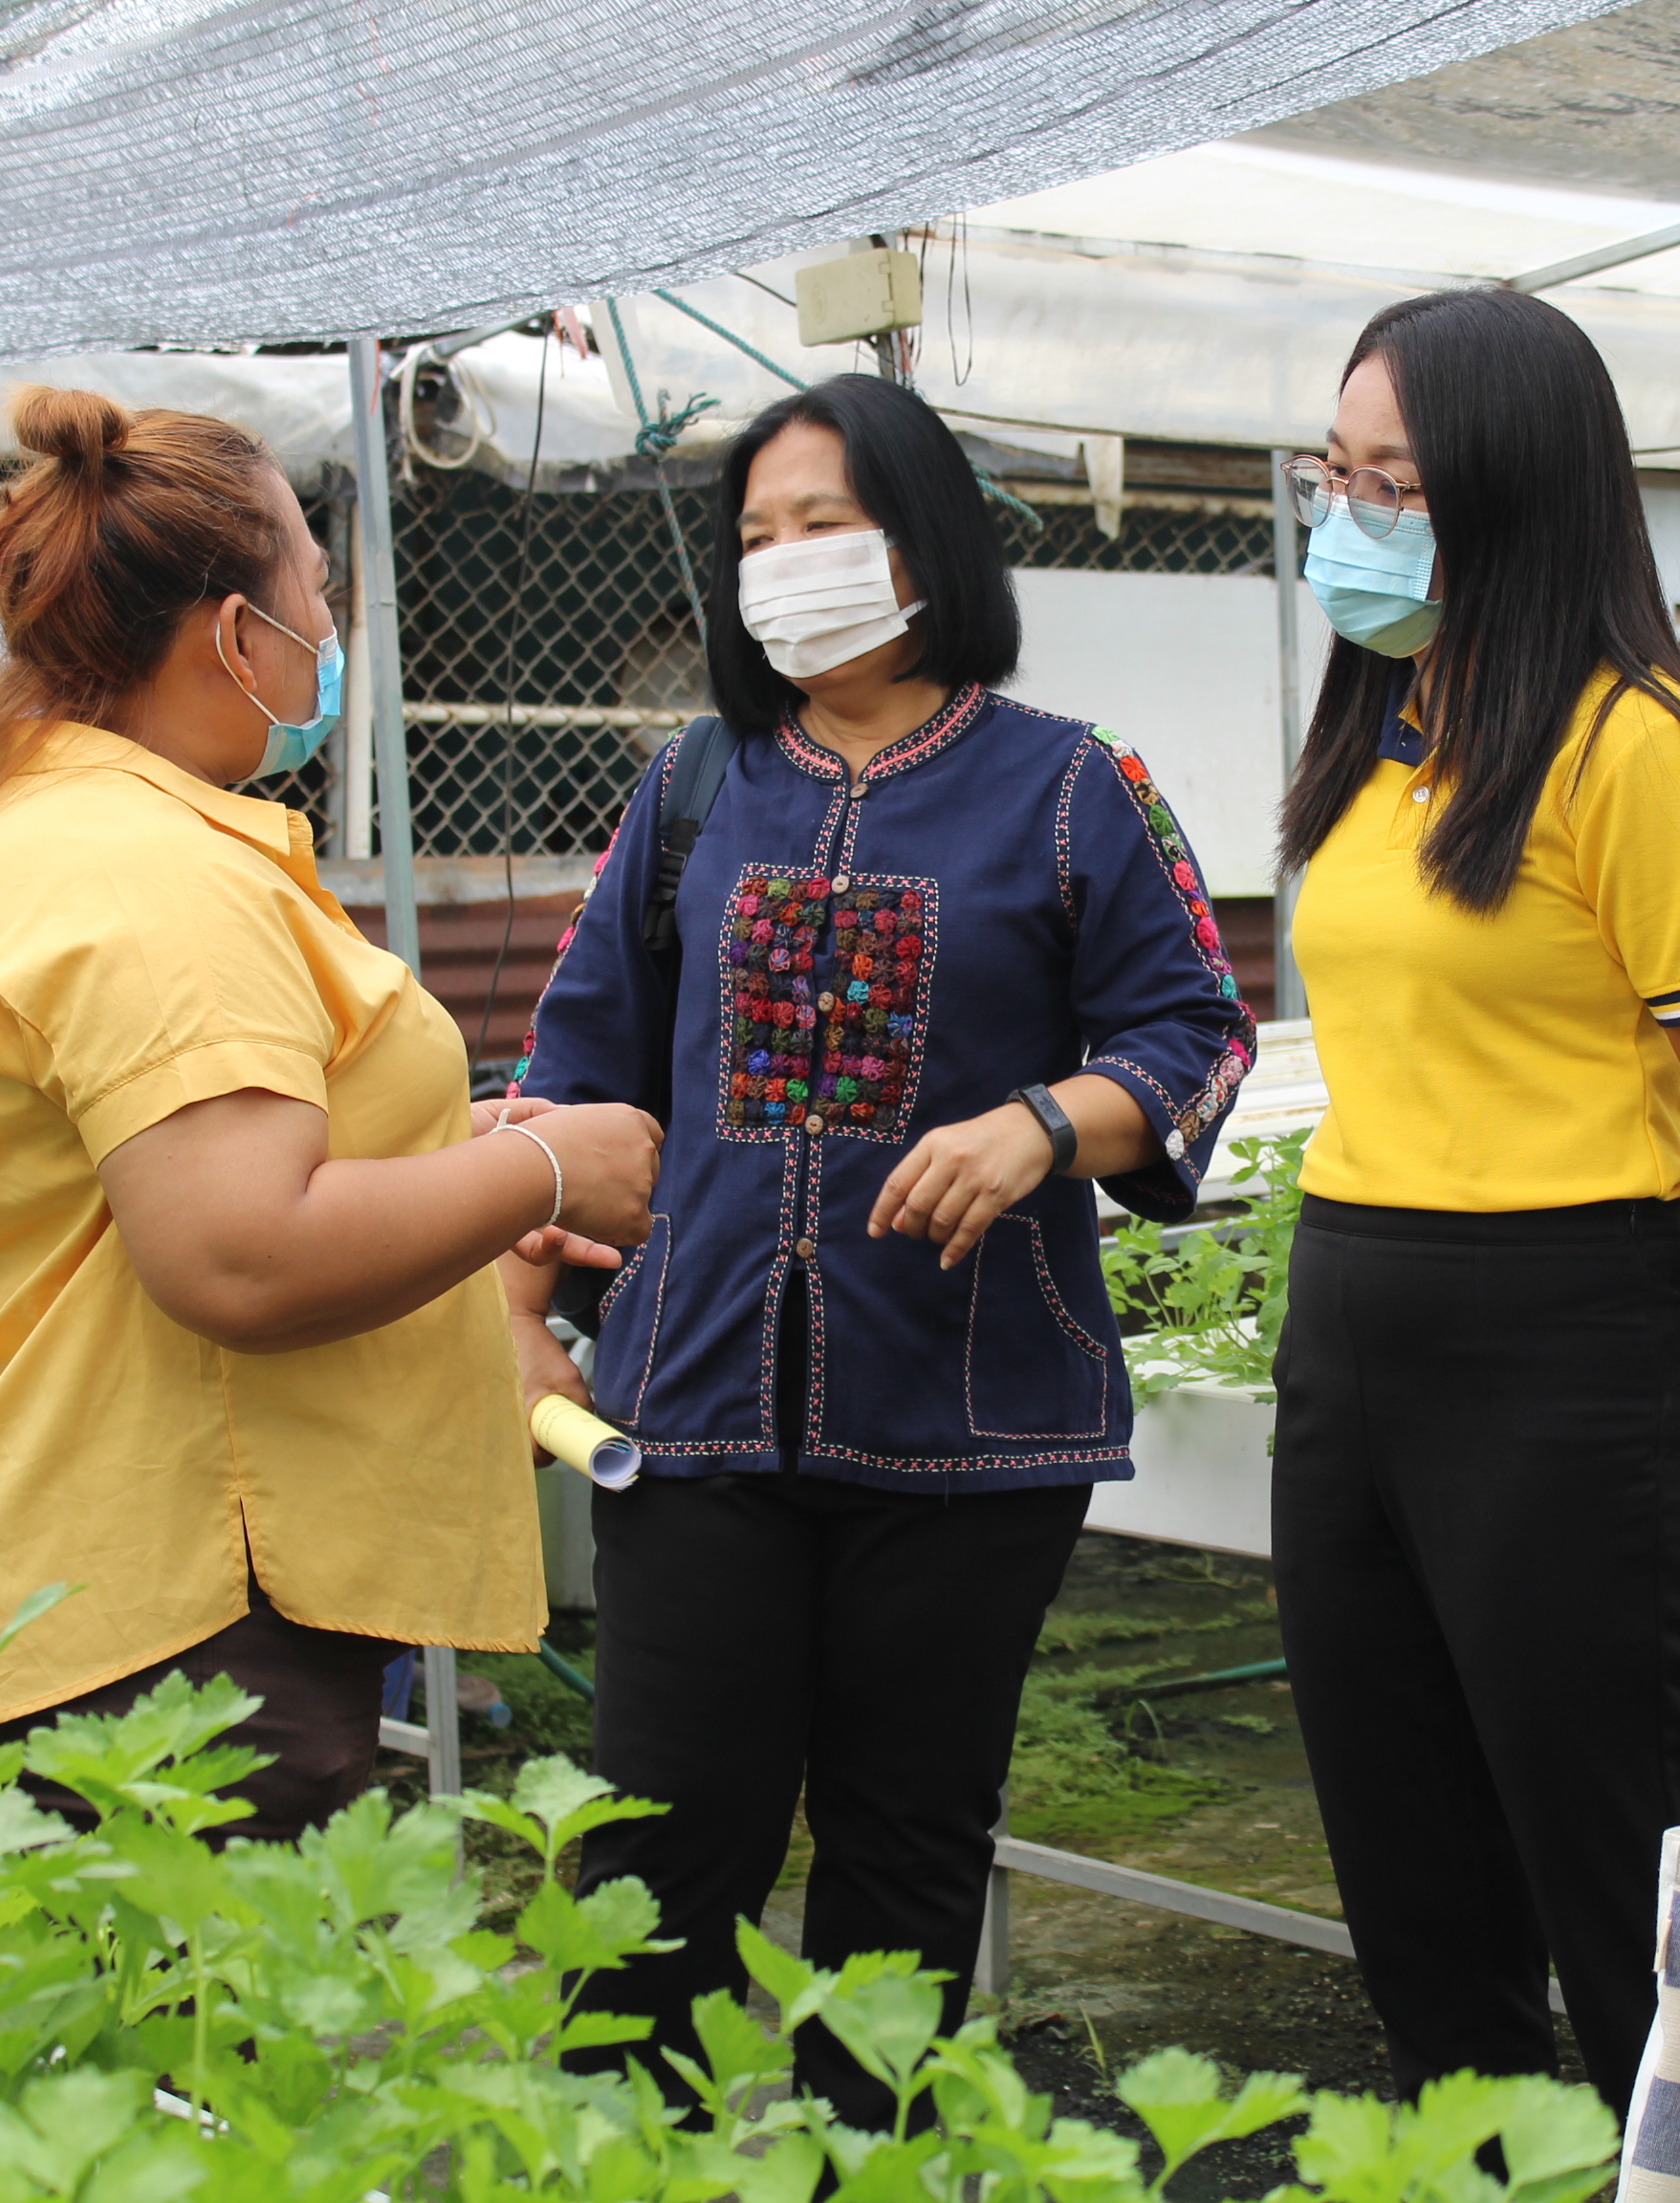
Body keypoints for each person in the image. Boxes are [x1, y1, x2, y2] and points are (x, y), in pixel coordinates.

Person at [509, 373, 1255, 2124]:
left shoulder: (1076, 788)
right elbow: (571, 1070)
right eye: (757, 535)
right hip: (691, 1423)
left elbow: (1199, 1034)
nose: (786, 563)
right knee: (648, 1885)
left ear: (922, 539)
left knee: (902, 1883)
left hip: (972, 1435)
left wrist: (1045, 1123)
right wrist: (520, 1313)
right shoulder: (692, 789)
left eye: (823, 523)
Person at [0, 389, 661, 1841]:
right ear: (234, 634)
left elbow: (226, 1163)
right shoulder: (148, 876)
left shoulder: (96, 828)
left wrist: (472, 1162)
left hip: (148, 1573)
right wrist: (548, 1165)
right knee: (214, 2037)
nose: (333, 625)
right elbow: (243, 1253)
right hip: (186, 1602)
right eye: (317, 589)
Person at [1266, 287, 1680, 2121]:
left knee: (1617, 1904)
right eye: (1334, 471)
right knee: (1414, 1896)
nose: (1348, 516)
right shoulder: (1387, 727)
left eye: (1396, 483)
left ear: (1518, 497)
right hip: (1353, 1323)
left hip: (1558, 1349)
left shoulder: (1641, 754)